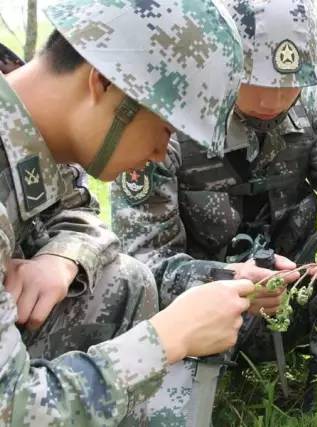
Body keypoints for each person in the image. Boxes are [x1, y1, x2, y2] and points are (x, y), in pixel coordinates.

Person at [111, 0, 317, 406]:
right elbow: (142, 261)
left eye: (287, 84)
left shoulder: (310, 107)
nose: (271, 100)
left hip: (290, 297)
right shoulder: (166, 123)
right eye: (255, 80)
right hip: (195, 315)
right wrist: (222, 278)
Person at [0, 0, 255, 424]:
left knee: (123, 282)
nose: (159, 155)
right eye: (164, 130)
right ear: (103, 84)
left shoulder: (35, 140)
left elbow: (82, 215)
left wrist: (65, 255)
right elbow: (11, 408)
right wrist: (168, 339)